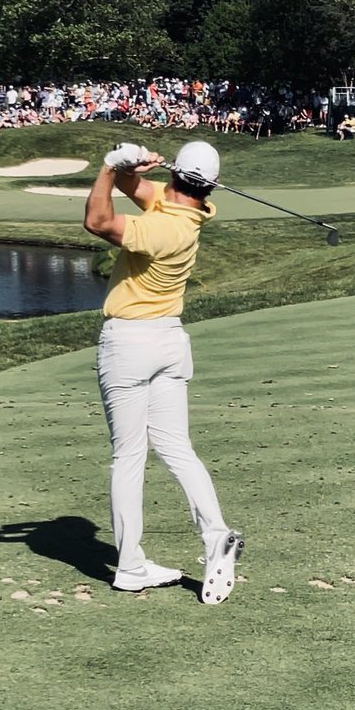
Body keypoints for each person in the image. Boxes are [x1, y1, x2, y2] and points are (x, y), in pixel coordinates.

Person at [83, 140, 243, 604]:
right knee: (176, 446)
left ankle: (131, 566)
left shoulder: (161, 229)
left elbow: (97, 221)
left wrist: (109, 166)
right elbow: (140, 190)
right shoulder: (191, 213)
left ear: (177, 174)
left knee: (128, 457)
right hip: (170, 342)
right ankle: (215, 536)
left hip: (130, 343)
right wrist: (130, 169)